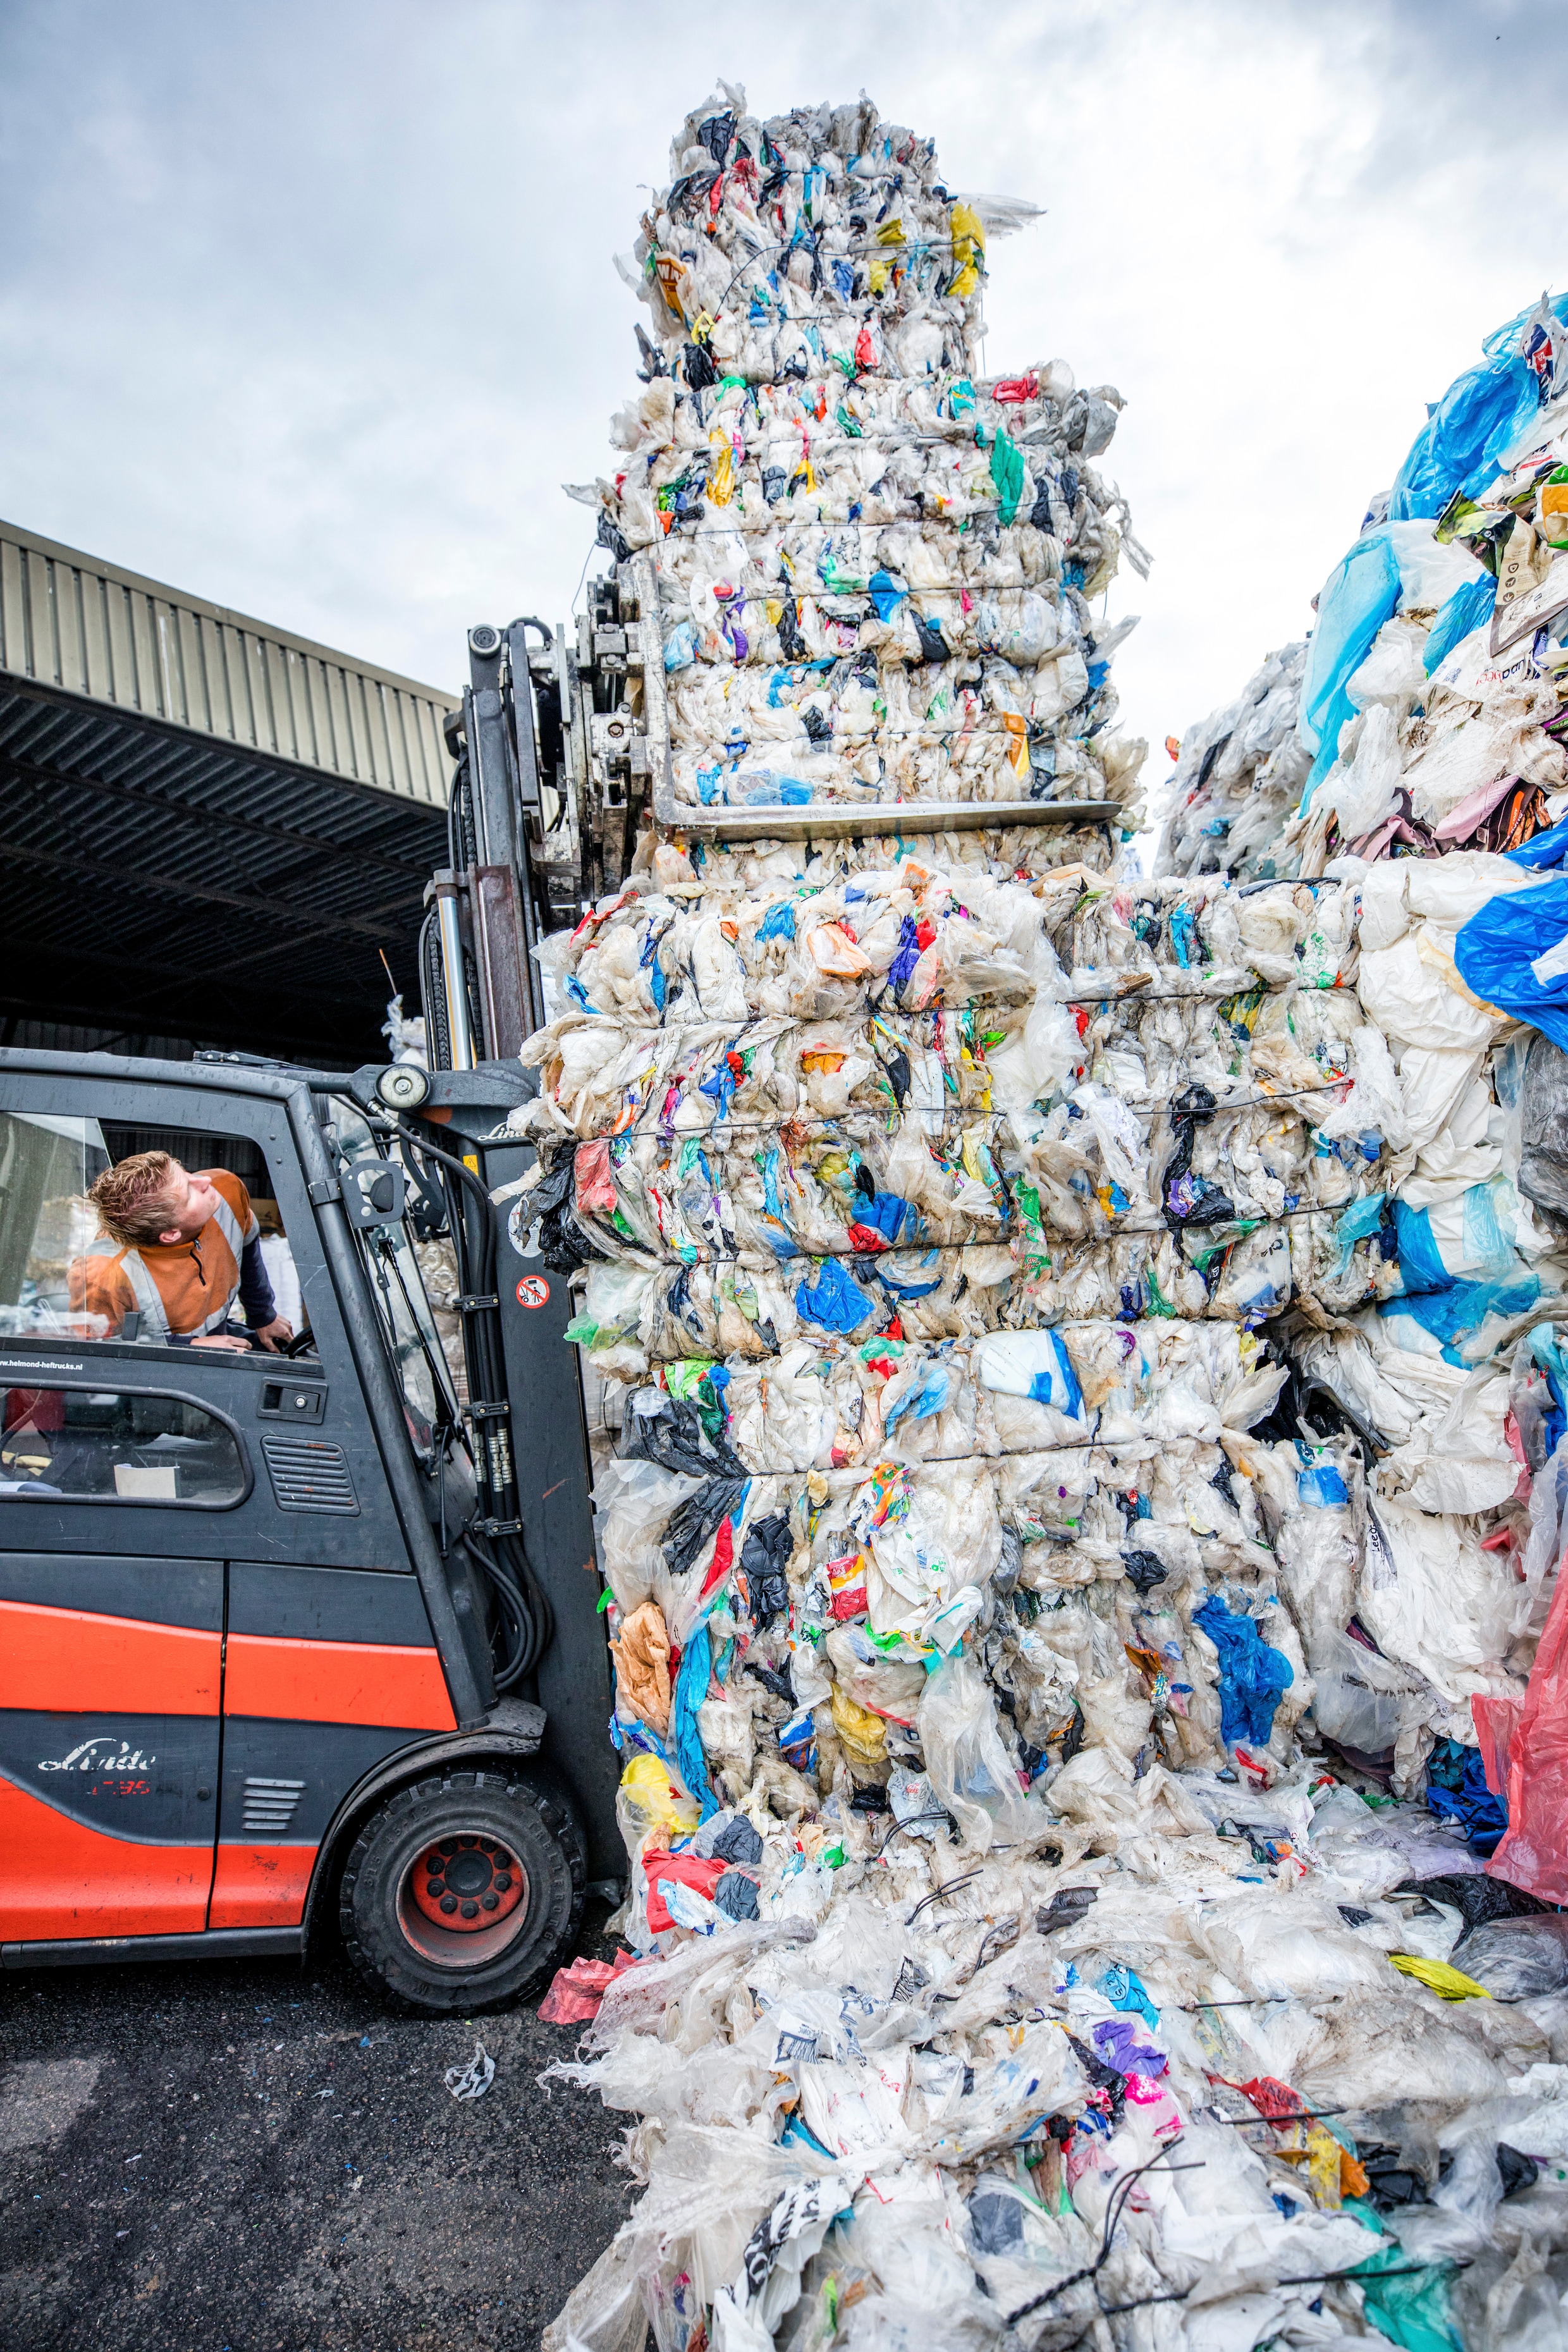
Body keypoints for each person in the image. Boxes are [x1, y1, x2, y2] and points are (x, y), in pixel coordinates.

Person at [69, 1152, 295, 1352]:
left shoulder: (227, 1189)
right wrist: (188, 1347)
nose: (205, 1181)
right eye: (188, 1192)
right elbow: (99, 1352)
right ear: (170, 1234)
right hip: (159, 1373)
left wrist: (263, 1315)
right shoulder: (101, 1274)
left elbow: (248, 1245)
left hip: (220, 1336)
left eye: (186, 1174)